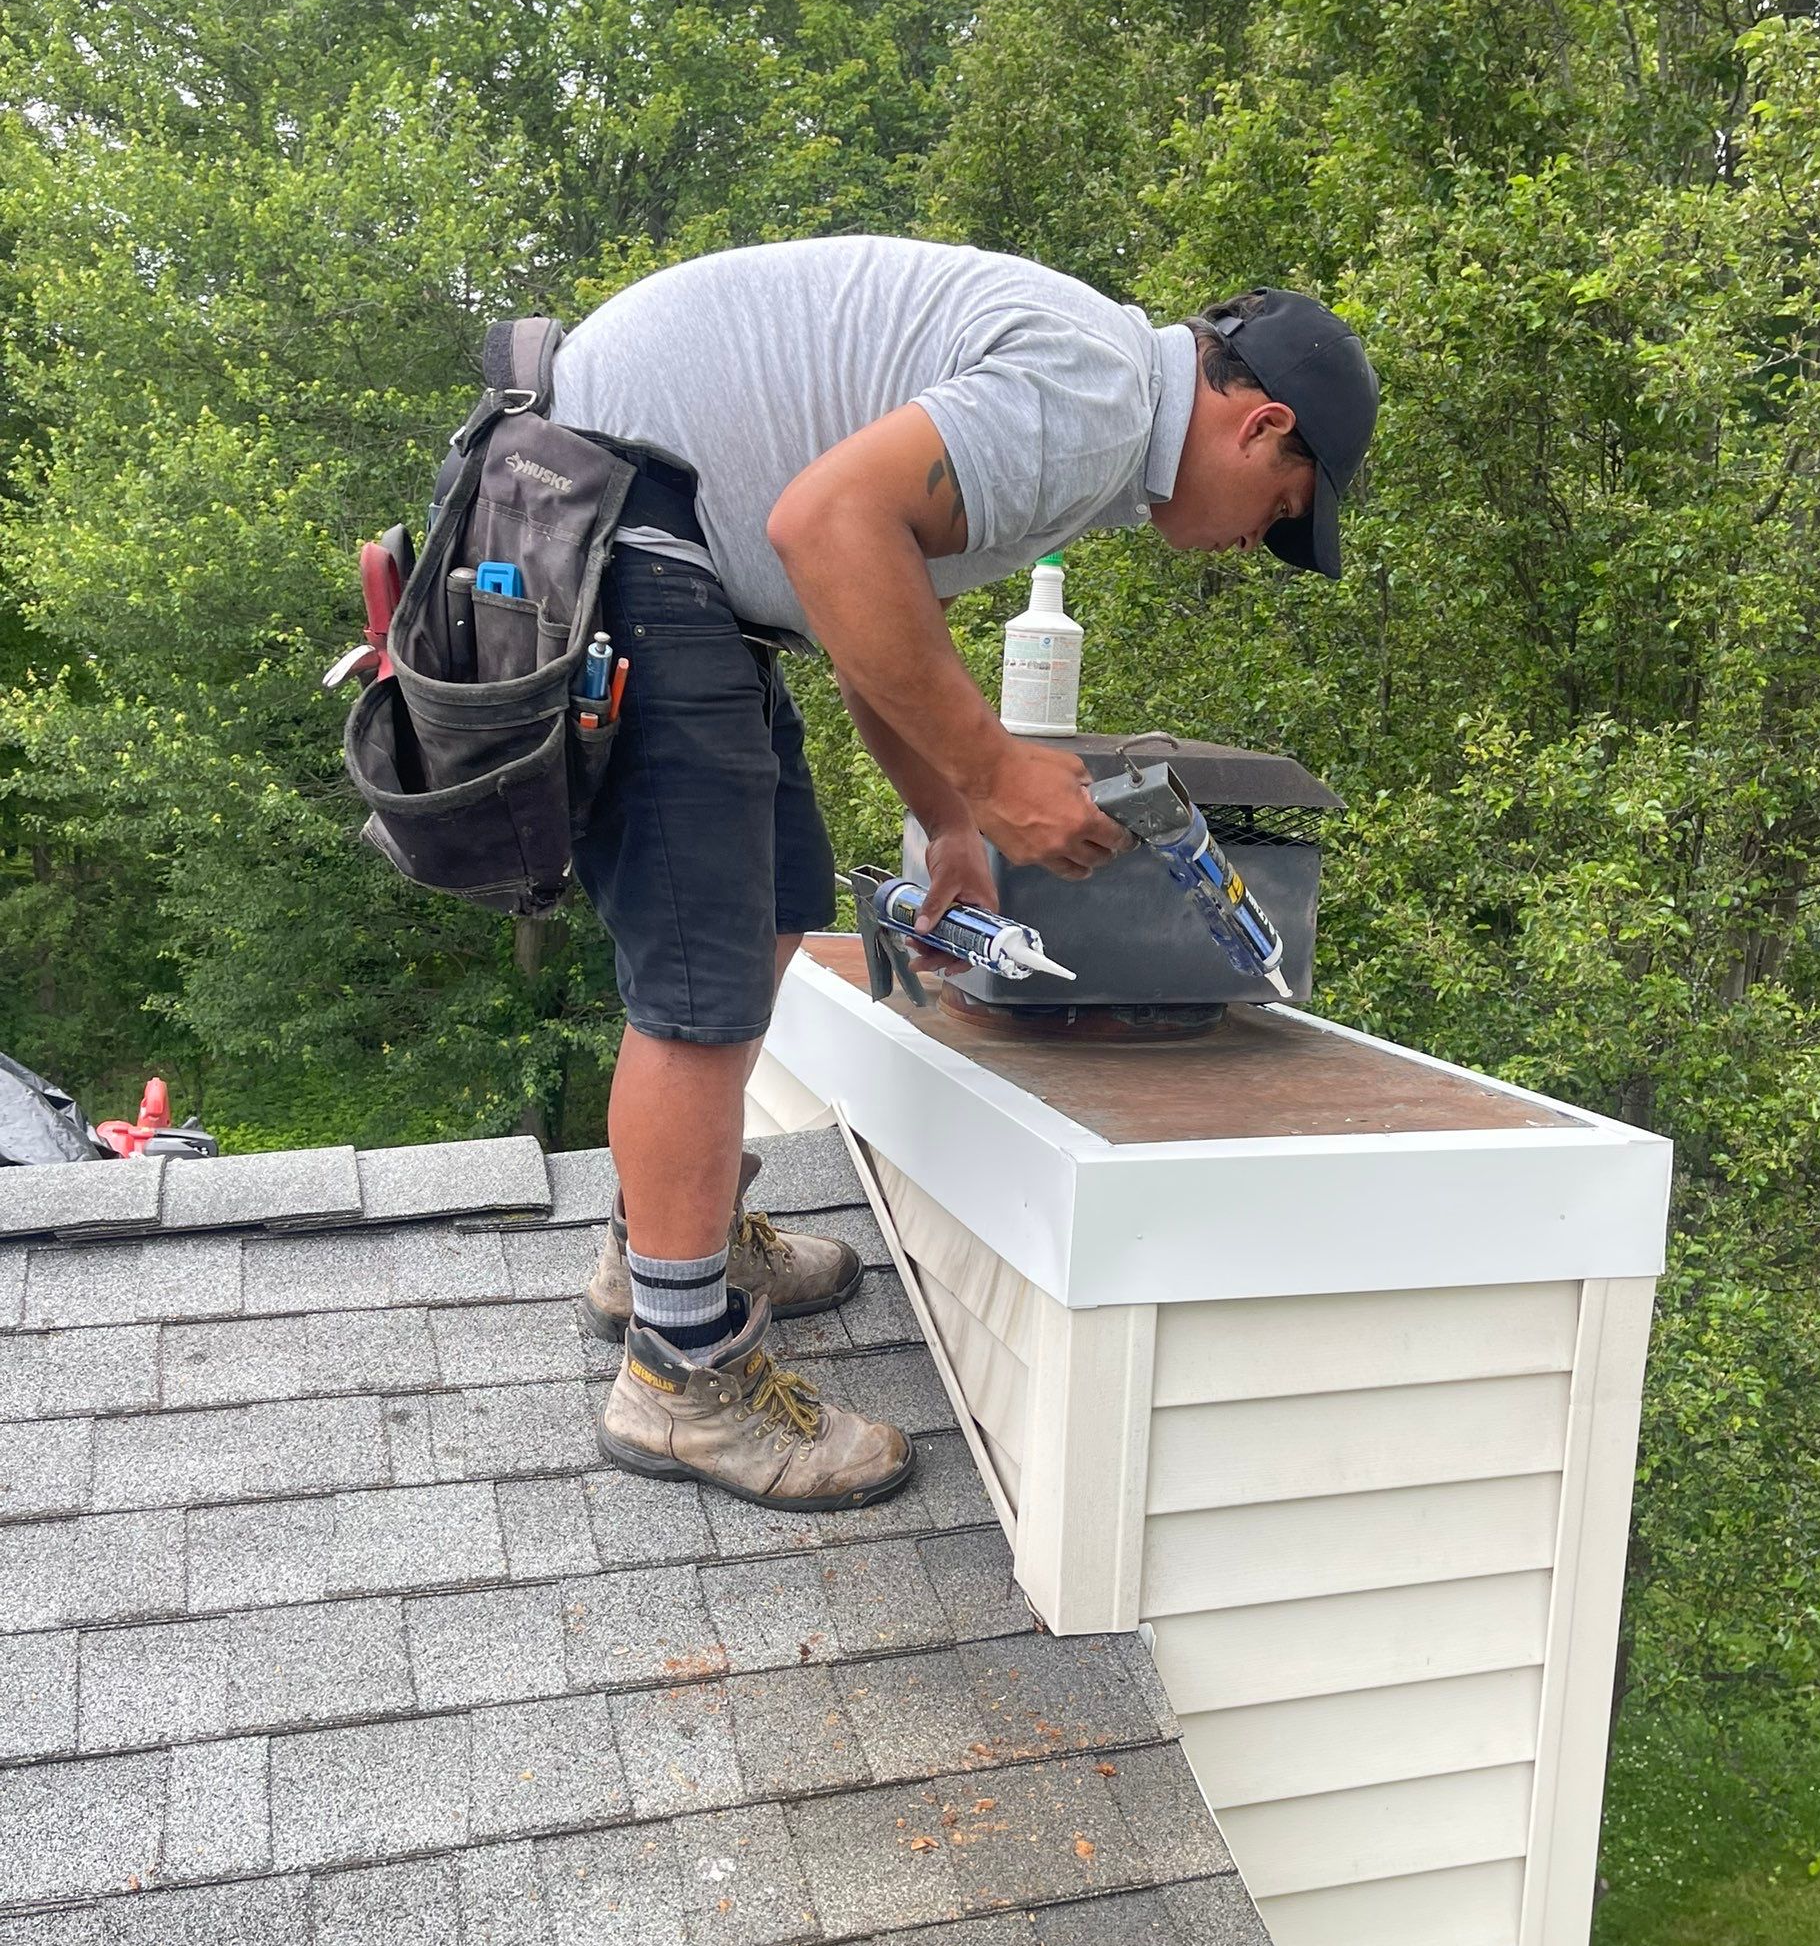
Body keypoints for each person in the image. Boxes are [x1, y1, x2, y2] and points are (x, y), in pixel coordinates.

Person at [557, 235, 1378, 1511]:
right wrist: (998, 773)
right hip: (628, 532)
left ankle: (664, 1246)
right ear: (1260, 424)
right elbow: (824, 526)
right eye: (1282, 509)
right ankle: (682, 1372)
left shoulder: (1084, 409)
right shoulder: (1098, 399)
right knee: (701, 987)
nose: (1253, 541)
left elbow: (869, 600)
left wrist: (948, 825)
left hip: (677, 554)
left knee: (774, 908)